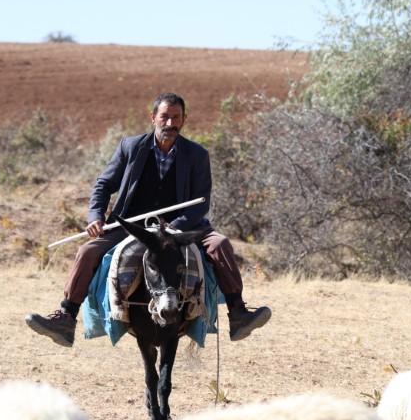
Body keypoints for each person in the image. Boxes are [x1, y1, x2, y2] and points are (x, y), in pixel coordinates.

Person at [25, 91, 271, 347]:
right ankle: (66, 318)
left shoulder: (197, 155)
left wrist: (174, 229)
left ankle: (238, 314)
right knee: (88, 250)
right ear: (153, 117)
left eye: (176, 118)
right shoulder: (130, 147)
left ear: (184, 120)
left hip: (181, 226)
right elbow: (102, 185)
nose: (169, 123)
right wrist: (96, 216)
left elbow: (201, 203)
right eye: (164, 117)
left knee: (219, 245)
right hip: (132, 226)